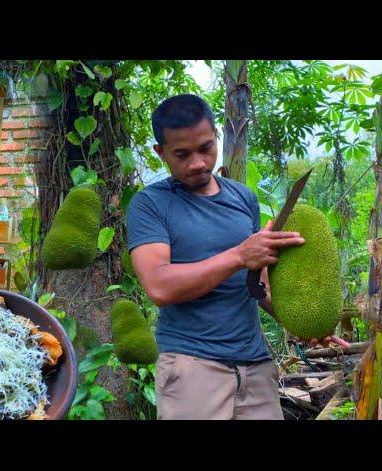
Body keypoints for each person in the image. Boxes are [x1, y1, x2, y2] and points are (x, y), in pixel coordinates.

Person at [126, 94, 347, 420]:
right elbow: (160, 287)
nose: (198, 162)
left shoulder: (242, 198)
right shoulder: (151, 205)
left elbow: (257, 286)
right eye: (182, 154)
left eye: (206, 148)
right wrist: (239, 255)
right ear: (161, 152)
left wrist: (305, 321)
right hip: (193, 367)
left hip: (255, 368)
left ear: (216, 135)